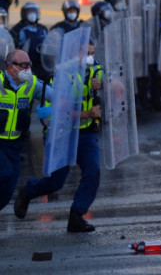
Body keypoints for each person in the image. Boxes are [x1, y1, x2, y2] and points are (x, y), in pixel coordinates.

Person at [14, 40, 102, 232]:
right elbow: (60, 111)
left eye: (92, 53)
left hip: (86, 133)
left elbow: (119, 85)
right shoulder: (62, 75)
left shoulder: (96, 70)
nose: (89, 57)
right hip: (62, 133)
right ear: (74, 54)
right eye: (86, 52)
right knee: (55, 182)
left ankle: (77, 215)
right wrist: (87, 114)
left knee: (93, 171)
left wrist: (104, 85)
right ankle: (28, 191)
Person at [0, 49, 53, 213]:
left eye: (29, 65)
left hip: (15, 144)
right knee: (6, 173)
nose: (27, 69)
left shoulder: (31, 84)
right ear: (11, 67)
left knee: (9, 187)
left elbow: (56, 96)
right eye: (23, 65)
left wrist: (50, 109)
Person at [16, 3, 50, 82]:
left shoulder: (43, 29)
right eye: (29, 12)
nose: (32, 15)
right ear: (24, 14)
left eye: (34, 12)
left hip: (42, 63)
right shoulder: (19, 29)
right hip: (27, 64)